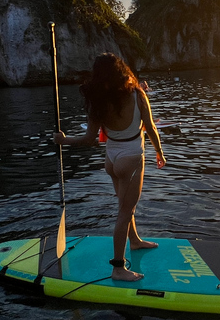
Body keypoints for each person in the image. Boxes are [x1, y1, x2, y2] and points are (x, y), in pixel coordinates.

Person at [53, 53, 166, 282]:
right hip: (132, 158)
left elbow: (88, 138)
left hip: (112, 160)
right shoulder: (137, 94)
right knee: (125, 212)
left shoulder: (98, 100)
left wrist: (64, 140)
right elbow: (151, 128)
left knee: (125, 205)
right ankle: (118, 268)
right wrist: (159, 151)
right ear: (121, 71)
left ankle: (134, 241)